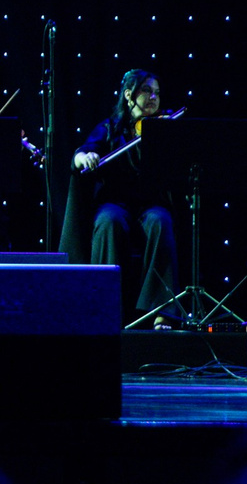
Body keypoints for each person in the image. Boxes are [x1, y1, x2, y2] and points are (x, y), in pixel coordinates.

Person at [68, 68, 179, 316]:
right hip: (115, 202)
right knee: (109, 221)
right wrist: (85, 157)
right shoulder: (110, 127)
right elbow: (81, 152)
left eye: (157, 93)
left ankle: (161, 310)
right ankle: (104, 307)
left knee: (160, 221)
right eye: (147, 91)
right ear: (129, 95)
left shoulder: (165, 127)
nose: (153, 98)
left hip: (151, 203)